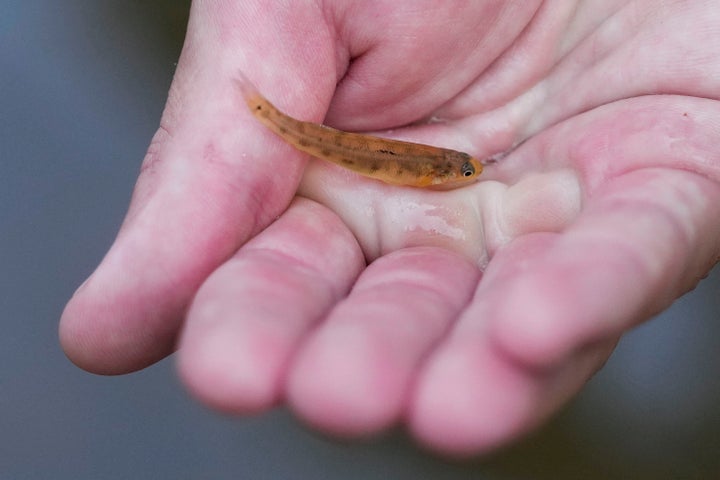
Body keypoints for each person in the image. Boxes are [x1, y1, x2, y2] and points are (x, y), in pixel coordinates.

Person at [59, 1, 720, 456]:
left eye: (465, 171)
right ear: (447, 174)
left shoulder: (444, 168)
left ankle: (269, 115)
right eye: (463, 172)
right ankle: (266, 113)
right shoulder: (439, 171)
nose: (465, 173)